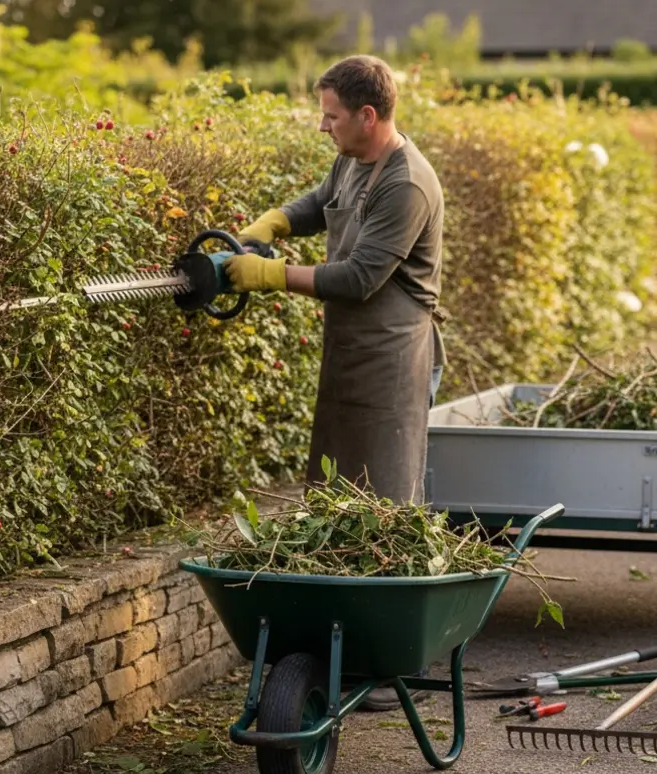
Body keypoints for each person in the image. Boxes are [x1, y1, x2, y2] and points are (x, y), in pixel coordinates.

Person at [225, 54, 447, 711]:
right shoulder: (354, 158)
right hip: (352, 351)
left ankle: (382, 666)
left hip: (394, 357)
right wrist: (276, 222)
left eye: (331, 115)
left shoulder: (406, 183)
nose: (323, 126)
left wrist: (271, 276)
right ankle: (340, 651)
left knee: (382, 506)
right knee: (334, 494)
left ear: (367, 117)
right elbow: (323, 203)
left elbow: (357, 279)